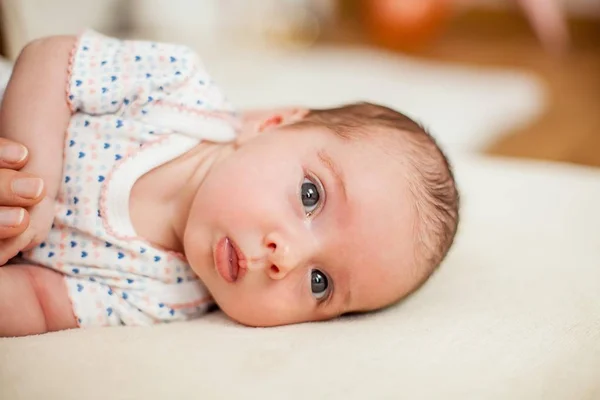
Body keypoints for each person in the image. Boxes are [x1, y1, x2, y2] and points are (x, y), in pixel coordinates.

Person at [0, 31, 459, 337]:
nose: (287, 258)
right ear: (273, 123)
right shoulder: (176, 90)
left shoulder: (165, 297)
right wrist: (31, 182)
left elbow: (40, 302)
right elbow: (53, 58)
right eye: (311, 196)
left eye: (320, 284)